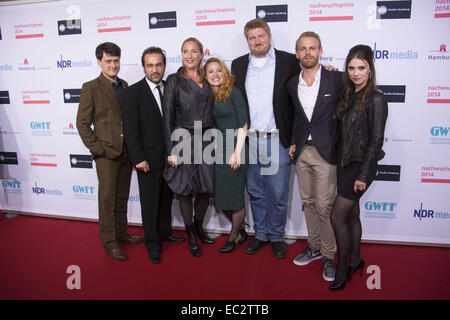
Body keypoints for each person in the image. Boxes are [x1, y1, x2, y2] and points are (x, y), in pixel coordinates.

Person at [231, 18, 301, 259]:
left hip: (277, 139)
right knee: (256, 191)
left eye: (261, 36)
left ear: (269, 36)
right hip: (249, 140)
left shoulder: (289, 62)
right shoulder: (238, 65)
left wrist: (331, 71)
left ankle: (277, 236)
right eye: (252, 37)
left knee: (279, 193)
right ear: (247, 40)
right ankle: (261, 234)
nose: (257, 41)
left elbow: (308, 81)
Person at [76, 42, 143, 261]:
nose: (113, 65)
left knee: (122, 196)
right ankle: (109, 242)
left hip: (126, 152)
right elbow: (82, 124)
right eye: (108, 61)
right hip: (106, 154)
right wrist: (98, 149)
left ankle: (121, 233)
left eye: (116, 60)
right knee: (107, 200)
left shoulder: (124, 85)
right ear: (99, 62)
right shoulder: (90, 87)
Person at [329, 44, 388, 290]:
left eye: (361, 68)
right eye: (351, 68)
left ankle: (342, 266)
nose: (356, 73)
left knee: (337, 216)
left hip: (360, 167)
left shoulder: (376, 98)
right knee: (352, 215)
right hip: (344, 164)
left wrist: (363, 174)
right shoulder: (349, 94)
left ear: (370, 70)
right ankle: (355, 259)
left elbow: (376, 140)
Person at [287, 32, 343, 282]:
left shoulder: (336, 79)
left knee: (324, 206)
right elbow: (296, 117)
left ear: (321, 50)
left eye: (312, 48)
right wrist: (293, 142)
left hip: (326, 152)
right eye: (302, 48)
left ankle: (330, 255)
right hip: (302, 151)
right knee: (308, 203)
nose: (307, 52)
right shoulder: (291, 83)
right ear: (297, 53)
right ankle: (315, 247)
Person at [121, 47, 185, 264]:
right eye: (150, 65)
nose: (155, 69)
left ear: (164, 65)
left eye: (158, 64)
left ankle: (165, 233)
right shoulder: (133, 93)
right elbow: (130, 130)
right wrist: (138, 158)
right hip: (148, 159)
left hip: (171, 158)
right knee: (150, 204)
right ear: (144, 67)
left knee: (166, 200)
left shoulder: (170, 87)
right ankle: (152, 244)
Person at [163, 37, 216, 257]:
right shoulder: (174, 80)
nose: (189, 55)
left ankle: (198, 226)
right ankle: (190, 235)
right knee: (185, 190)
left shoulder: (210, 76)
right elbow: (167, 117)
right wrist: (170, 150)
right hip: (183, 139)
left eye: (194, 51)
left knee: (205, 188)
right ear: (181, 54)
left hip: (207, 140)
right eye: (185, 51)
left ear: (201, 54)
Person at [204, 57, 249, 253]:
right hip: (219, 149)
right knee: (222, 199)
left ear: (225, 72)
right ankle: (242, 228)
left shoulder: (234, 92)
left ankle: (233, 237)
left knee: (235, 197)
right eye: (210, 72)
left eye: (218, 70)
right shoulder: (209, 95)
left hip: (235, 149)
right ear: (205, 76)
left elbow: (244, 124)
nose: (215, 75)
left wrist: (236, 153)